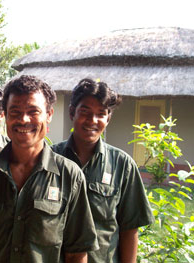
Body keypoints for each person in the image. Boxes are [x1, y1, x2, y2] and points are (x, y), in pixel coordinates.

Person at [0, 75, 99, 263]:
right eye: (15, 112)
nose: (23, 120)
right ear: (5, 116)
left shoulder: (69, 176)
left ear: (48, 115)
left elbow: (77, 254)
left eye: (33, 111)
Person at [52, 78, 154, 263]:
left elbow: (129, 230)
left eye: (101, 114)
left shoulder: (122, 165)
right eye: (85, 112)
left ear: (108, 118)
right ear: (71, 112)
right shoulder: (50, 159)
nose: (93, 120)